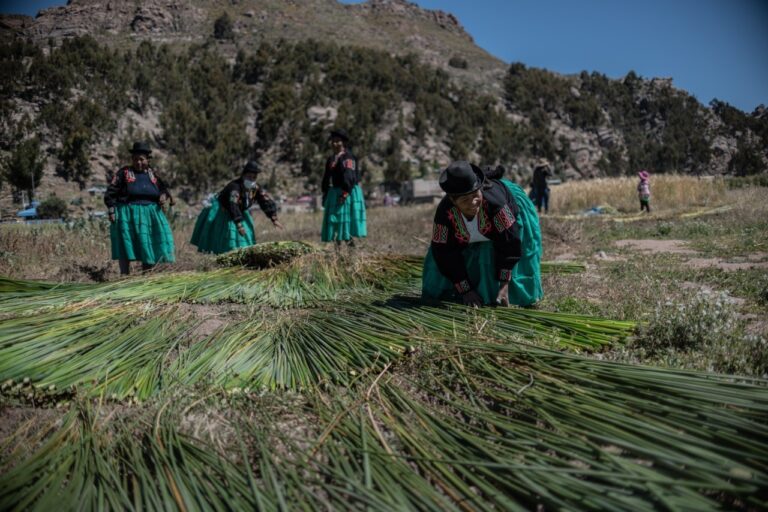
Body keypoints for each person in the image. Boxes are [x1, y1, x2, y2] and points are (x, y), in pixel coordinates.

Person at [422, 162, 543, 307]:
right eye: (465, 200)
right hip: (476, 231)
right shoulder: (444, 215)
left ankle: (523, 298)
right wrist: (466, 290)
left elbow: (510, 243)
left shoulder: (496, 206)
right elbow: (444, 252)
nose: (473, 202)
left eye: (475, 195)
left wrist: (504, 285)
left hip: (510, 208)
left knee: (496, 251)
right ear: (453, 201)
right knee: (438, 259)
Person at [105, 141, 175, 275]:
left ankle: (147, 275)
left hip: (150, 214)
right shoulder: (123, 173)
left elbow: (163, 189)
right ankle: (124, 275)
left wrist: (163, 195)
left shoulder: (152, 174)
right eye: (135, 159)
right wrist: (111, 209)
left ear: (148, 160)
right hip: (127, 213)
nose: (138, 162)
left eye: (141, 159)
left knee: (148, 244)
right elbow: (111, 192)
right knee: (126, 244)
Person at [190, 160, 283, 254]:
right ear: (243, 176)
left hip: (240, 212)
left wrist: (273, 218)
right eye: (249, 177)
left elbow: (264, 200)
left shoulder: (255, 188)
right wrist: (239, 224)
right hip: (224, 212)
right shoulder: (234, 187)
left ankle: (244, 255)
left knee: (246, 235)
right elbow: (233, 205)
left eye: (254, 177)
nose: (251, 180)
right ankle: (225, 256)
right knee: (229, 236)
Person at [321, 129, 367, 245]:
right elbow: (326, 177)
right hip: (334, 192)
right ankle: (338, 253)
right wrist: (325, 193)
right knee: (335, 224)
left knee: (345, 224)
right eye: (332, 141)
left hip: (346, 192)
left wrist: (345, 192)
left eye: (337, 141)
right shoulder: (331, 159)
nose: (334, 144)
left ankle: (350, 253)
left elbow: (349, 175)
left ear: (343, 143)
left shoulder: (348, 157)